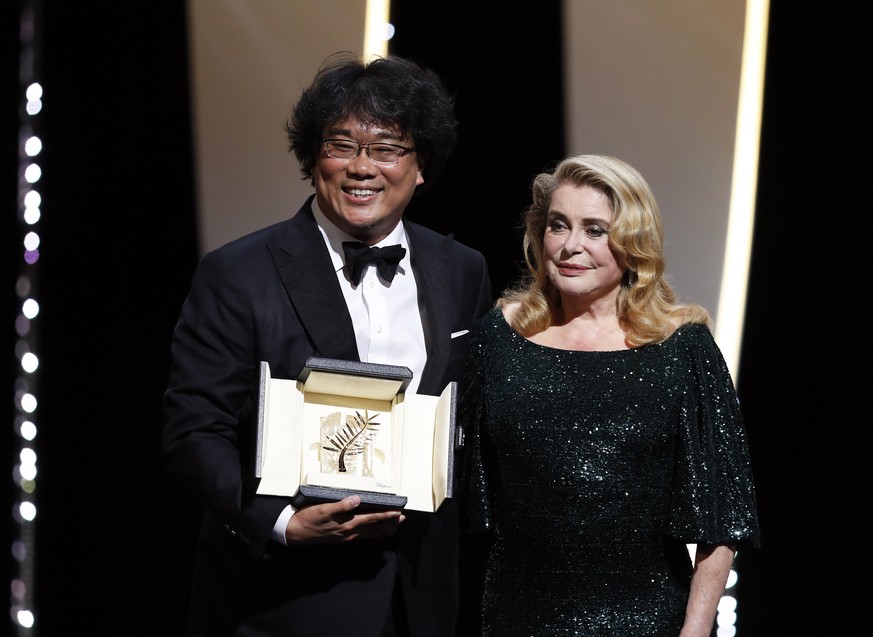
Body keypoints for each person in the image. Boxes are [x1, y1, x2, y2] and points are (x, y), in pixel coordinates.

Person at [161, 51, 492, 637]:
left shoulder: (461, 270)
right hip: (282, 601)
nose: (362, 167)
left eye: (387, 149)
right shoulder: (239, 272)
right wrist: (283, 521)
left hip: (422, 600)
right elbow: (193, 430)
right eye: (342, 146)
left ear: (420, 168)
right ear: (314, 158)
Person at [457, 154, 761, 636]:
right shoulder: (499, 337)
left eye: (594, 229)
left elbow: (722, 518)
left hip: (646, 621)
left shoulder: (681, 347)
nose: (571, 245)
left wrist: (697, 630)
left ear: (632, 244)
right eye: (559, 225)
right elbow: (454, 490)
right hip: (515, 618)